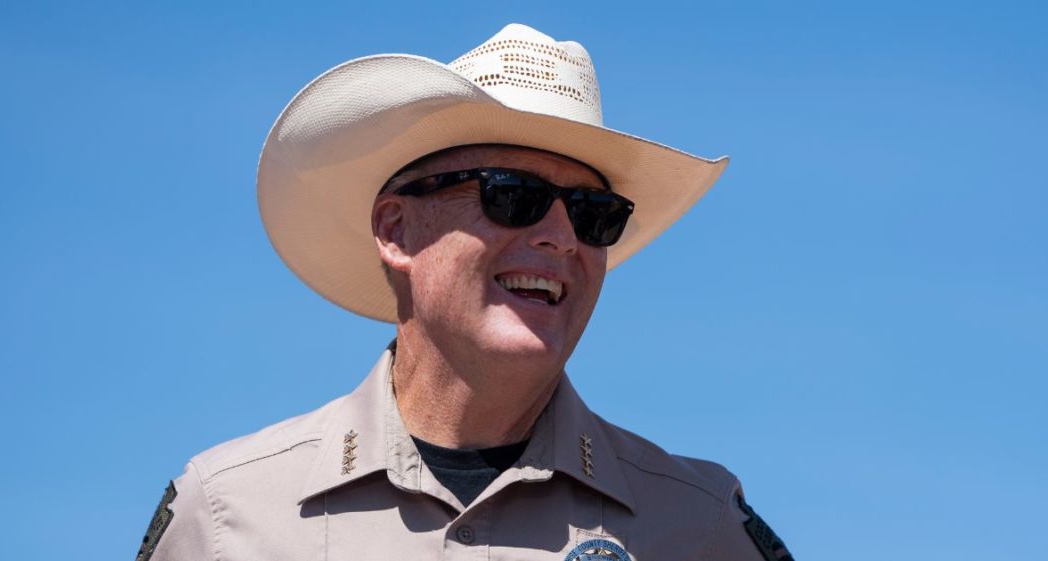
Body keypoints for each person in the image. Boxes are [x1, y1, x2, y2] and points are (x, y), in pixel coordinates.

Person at [136, 23, 794, 561]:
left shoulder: (700, 527)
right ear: (397, 229)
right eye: (515, 196)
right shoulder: (227, 517)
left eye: (595, 213)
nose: (563, 236)